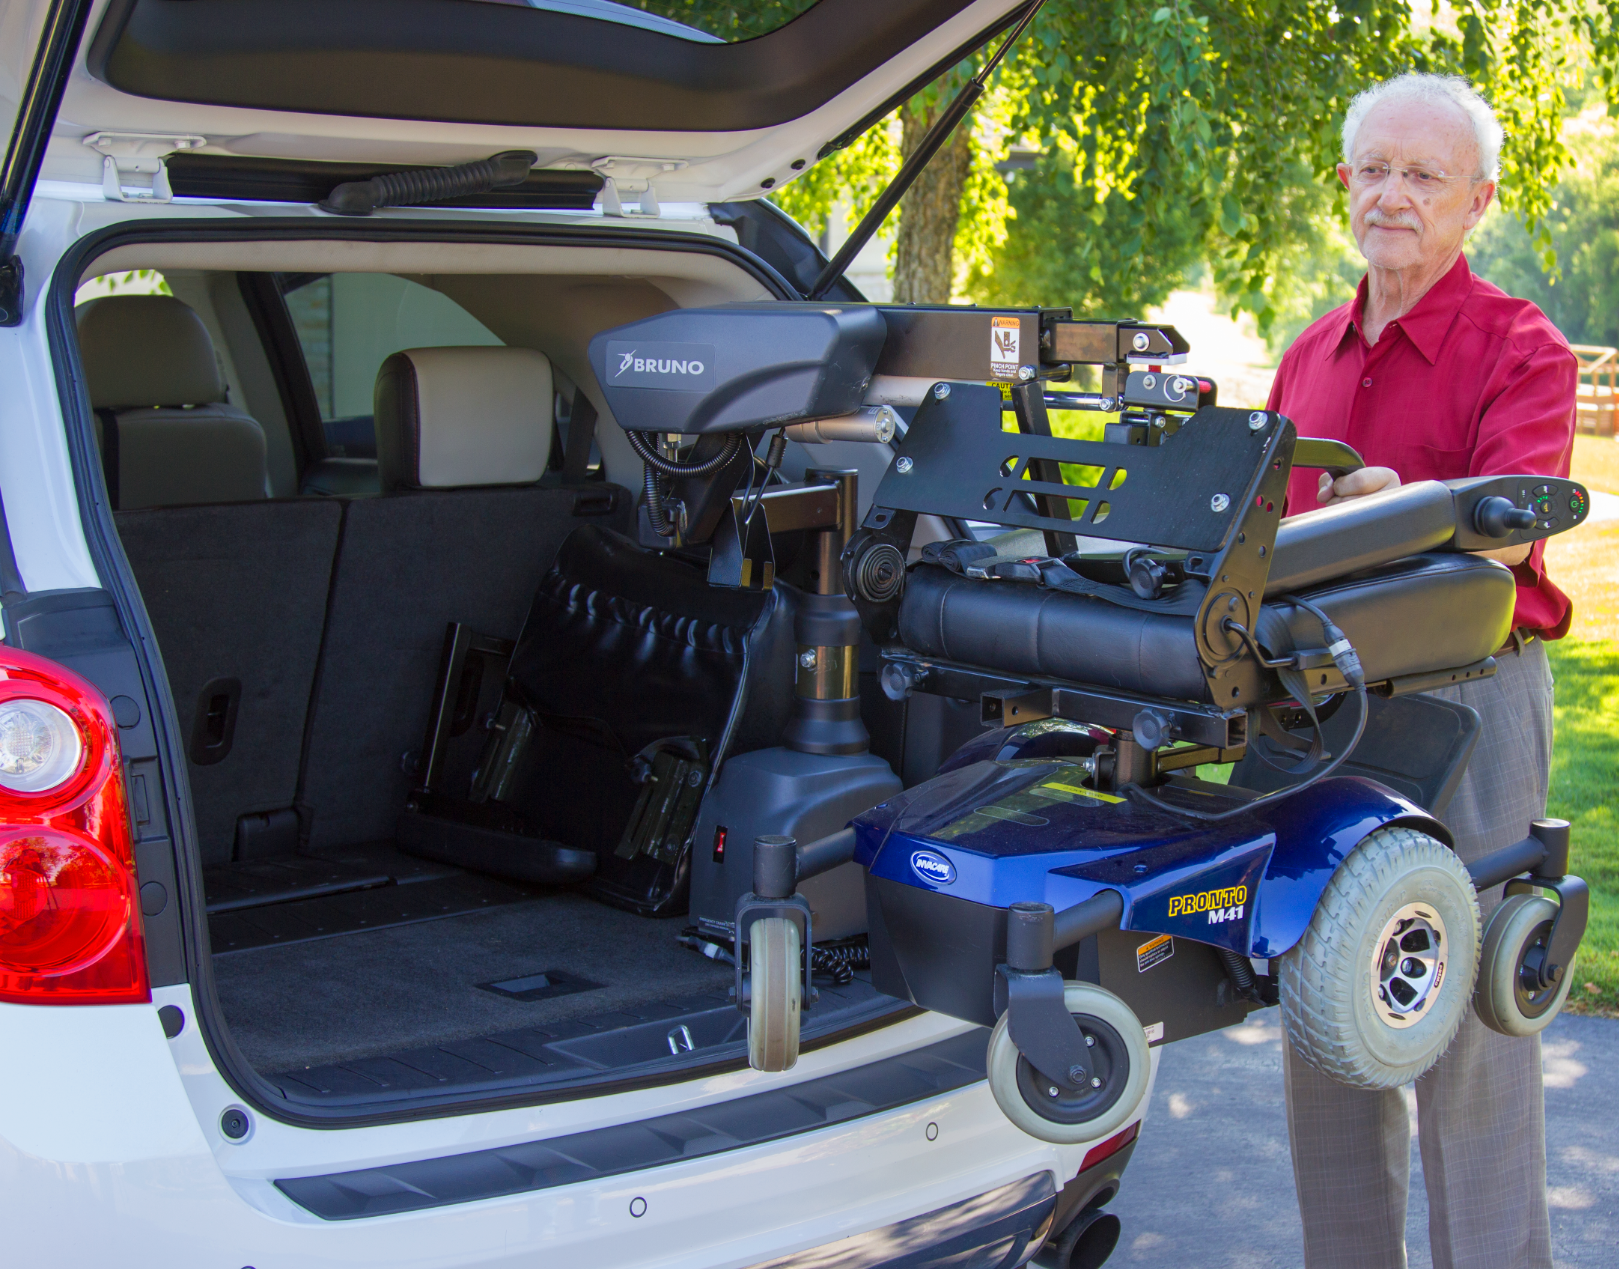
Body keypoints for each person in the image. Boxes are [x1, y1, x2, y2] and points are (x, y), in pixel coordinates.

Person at [1266, 72, 1576, 1269]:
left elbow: (1504, 528)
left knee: (1472, 1026)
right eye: (1373, 169)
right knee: (1330, 1013)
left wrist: (1398, 512)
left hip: (1471, 698)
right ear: (1345, 183)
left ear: (1474, 201)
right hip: (1317, 712)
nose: (1391, 195)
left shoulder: (1521, 347)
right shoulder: (1305, 358)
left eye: (1422, 176)